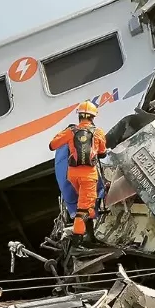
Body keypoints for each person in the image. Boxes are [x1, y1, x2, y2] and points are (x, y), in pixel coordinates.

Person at [49, 101, 108, 240]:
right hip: (88, 175)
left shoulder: (70, 131)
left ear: (79, 116)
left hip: (73, 174)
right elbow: (102, 152)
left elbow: (52, 145)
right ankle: (79, 237)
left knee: (85, 203)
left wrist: (66, 135)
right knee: (85, 208)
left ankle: (89, 224)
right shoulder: (98, 132)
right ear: (93, 117)